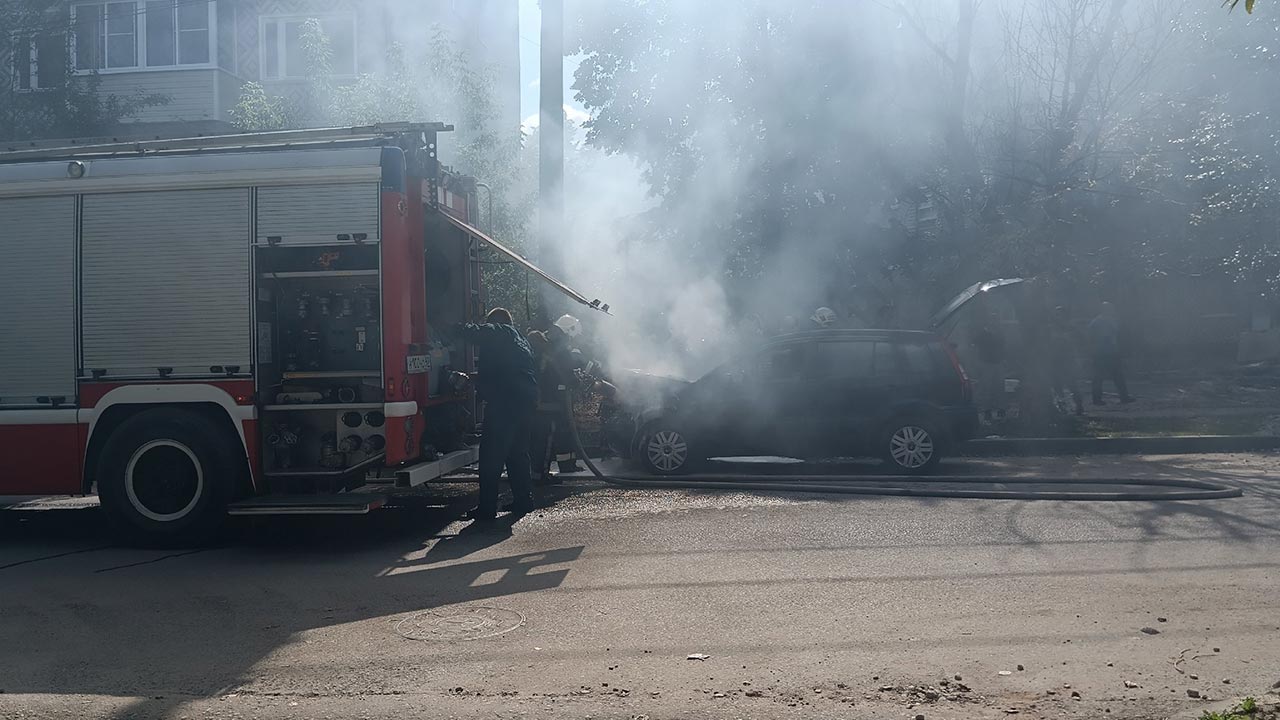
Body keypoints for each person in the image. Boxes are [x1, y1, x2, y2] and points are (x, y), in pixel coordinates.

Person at [454, 307, 538, 525]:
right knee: (518, 453)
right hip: (525, 401)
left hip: (505, 402)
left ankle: (487, 508)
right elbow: (506, 369)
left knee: (491, 455)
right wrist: (477, 379)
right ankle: (523, 500)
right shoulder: (520, 340)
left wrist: (454, 328)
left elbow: (480, 333)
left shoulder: (502, 330)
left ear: (495, 323)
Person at [1088, 301, 1134, 405]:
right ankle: (1097, 399)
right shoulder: (1098, 322)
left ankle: (1124, 397)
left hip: (1111, 351)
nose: (1111, 310)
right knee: (1099, 377)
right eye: (1109, 308)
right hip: (1101, 352)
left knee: (1117, 375)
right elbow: (1095, 337)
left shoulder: (1112, 320)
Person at [1048, 306, 1085, 415]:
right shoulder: (1052, 328)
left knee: (1072, 384)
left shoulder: (1071, 328)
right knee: (1057, 385)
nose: (1059, 317)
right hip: (1055, 360)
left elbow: (1081, 341)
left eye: (1061, 314)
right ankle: (1062, 406)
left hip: (1068, 360)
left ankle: (1079, 406)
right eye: (1057, 315)